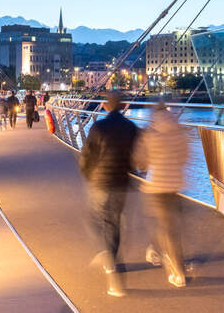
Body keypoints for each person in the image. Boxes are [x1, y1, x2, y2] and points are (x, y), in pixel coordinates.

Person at [80, 91, 139, 297]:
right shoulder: (131, 127)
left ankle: (108, 260)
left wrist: (88, 174)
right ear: (122, 106)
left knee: (92, 220)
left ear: (106, 106)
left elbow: (87, 155)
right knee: (114, 223)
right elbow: (137, 157)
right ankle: (111, 258)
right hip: (121, 182)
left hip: (100, 181)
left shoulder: (98, 127)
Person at [133, 97, 189, 287]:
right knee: (171, 227)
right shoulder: (179, 131)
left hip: (157, 185)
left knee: (165, 229)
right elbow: (184, 157)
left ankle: (178, 273)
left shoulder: (150, 133)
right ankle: (159, 252)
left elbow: (141, 161)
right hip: (176, 184)